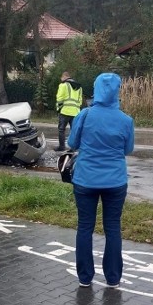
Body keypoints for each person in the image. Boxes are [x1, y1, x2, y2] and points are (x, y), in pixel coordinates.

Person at [67, 72, 134, 288]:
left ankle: (85, 277)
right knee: (113, 227)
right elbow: (128, 149)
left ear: (96, 90)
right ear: (117, 92)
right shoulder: (126, 120)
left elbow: (72, 143)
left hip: (85, 180)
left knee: (85, 227)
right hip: (115, 181)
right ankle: (113, 278)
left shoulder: (84, 115)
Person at [55, 71, 83, 151]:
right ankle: (73, 148)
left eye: (61, 78)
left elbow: (59, 99)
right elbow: (80, 100)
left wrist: (58, 109)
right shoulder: (79, 87)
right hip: (76, 112)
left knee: (61, 129)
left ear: (64, 77)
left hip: (65, 111)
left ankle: (62, 147)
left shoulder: (63, 85)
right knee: (73, 130)